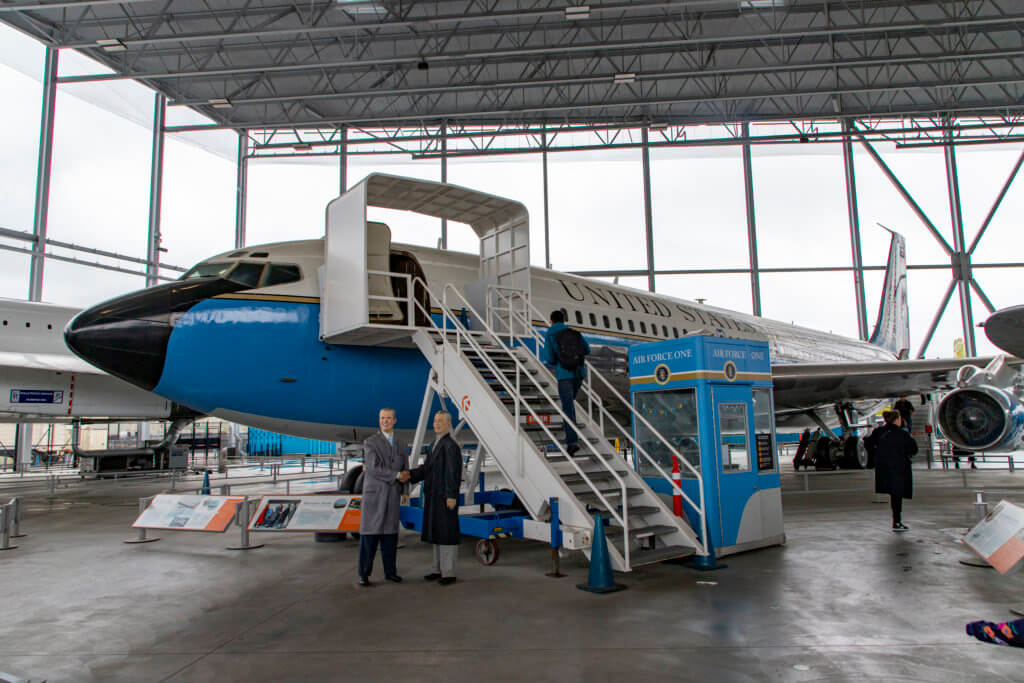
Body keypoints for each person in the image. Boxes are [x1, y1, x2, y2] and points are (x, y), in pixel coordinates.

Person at [408, 411, 463, 585]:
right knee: (437, 533)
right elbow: (427, 469)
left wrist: (452, 495)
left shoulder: (450, 445)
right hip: (434, 496)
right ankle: (437, 569)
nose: (437, 424)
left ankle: (449, 573)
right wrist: (409, 475)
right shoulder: (434, 444)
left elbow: (453, 473)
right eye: (435, 421)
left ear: (449, 424)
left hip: (445, 496)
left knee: (446, 535)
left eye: (440, 421)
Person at [357, 407, 409, 587]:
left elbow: (406, 468)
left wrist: (406, 490)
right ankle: (364, 574)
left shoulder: (402, 443)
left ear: (395, 420)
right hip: (375, 495)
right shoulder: (370, 442)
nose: (385, 421)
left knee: (390, 535)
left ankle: (390, 572)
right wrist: (396, 476)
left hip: (393, 494)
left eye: (388, 418)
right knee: (369, 536)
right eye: (382, 418)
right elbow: (372, 467)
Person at [543, 309, 591, 455]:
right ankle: (573, 434)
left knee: (567, 407)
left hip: (564, 376)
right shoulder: (573, 332)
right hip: (578, 374)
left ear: (551, 321)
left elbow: (550, 358)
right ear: (564, 320)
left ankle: (572, 442)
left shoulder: (550, 333)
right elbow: (587, 350)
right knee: (570, 405)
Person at [865, 410, 918, 532]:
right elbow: (913, 450)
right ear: (897, 419)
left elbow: (868, 443)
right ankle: (897, 521)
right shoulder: (902, 434)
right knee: (897, 495)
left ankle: (897, 521)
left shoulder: (879, 432)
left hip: (883, 468)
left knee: (893, 494)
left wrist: (876, 456)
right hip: (899, 468)